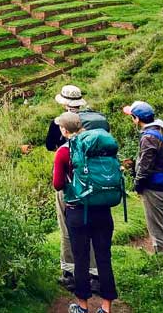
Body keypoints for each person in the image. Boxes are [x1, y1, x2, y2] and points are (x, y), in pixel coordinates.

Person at [53, 112, 118, 313]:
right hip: (103, 210)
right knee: (104, 257)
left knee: (80, 258)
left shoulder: (64, 151)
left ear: (64, 130)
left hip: (78, 212)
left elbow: (58, 185)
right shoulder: (99, 145)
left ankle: (82, 307)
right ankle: (106, 308)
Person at [47, 85, 108, 291]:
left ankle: (71, 273)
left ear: (64, 103)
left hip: (70, 187)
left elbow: (49, 145)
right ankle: (97, 275)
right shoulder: (94, 122)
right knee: (94, 230)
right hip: (96, 185)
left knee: (67, 229)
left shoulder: (60, 124)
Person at [123, 101, 163, 253]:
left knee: (156, 226)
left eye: (132, 117)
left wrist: (138, 185)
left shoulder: (148, 138)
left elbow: (145, 166)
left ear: (137, 119)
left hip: (154, 187)